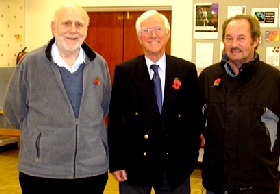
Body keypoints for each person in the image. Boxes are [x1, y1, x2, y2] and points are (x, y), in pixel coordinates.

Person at [4, 3, 111, 193]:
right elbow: (14, 109)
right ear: (53, 27)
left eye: (79, 24)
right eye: (66, 23)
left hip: (91, 171)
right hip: (41, 172)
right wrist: (41, 138)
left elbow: (104, 106)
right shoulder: (31, 63)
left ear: (86, 29)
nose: (72, 30)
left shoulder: (98, 63)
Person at [198, 14, 280, 194]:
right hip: (216, 183)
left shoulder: (277, 82)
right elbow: (200, 123)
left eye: (241, 38)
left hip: (259, 184)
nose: (234, 44)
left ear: (256, 41)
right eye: (229, 38)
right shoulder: (208, 77)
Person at [108, 10, 200, 194]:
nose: (153, 35)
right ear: (140, 38)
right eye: (146, 31)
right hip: (134, 165)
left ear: (167, 34)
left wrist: (190, 159)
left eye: (158, 29)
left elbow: (194, 119)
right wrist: (116, 162)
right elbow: (116, 121)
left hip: (174, 167)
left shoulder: (186, 70)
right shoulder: (125, 72)